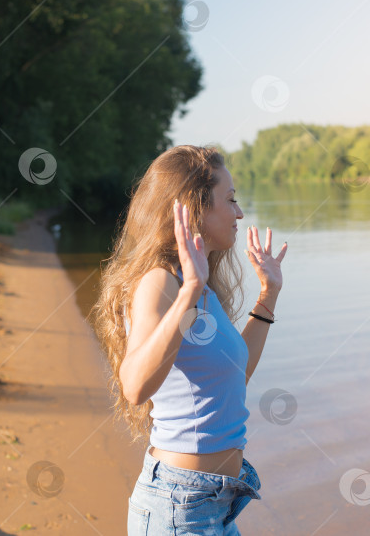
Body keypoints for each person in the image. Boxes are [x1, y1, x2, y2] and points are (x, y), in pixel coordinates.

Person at [90, 145, 288, 535]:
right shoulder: (162, 282)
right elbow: (134, 386)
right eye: (230, 200)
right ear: (193, 209)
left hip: (217, 502)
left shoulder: (199, 289)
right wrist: (189, 291)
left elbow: (234, 376)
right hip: (178, 508)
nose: (239, 213)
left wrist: (268, 296)